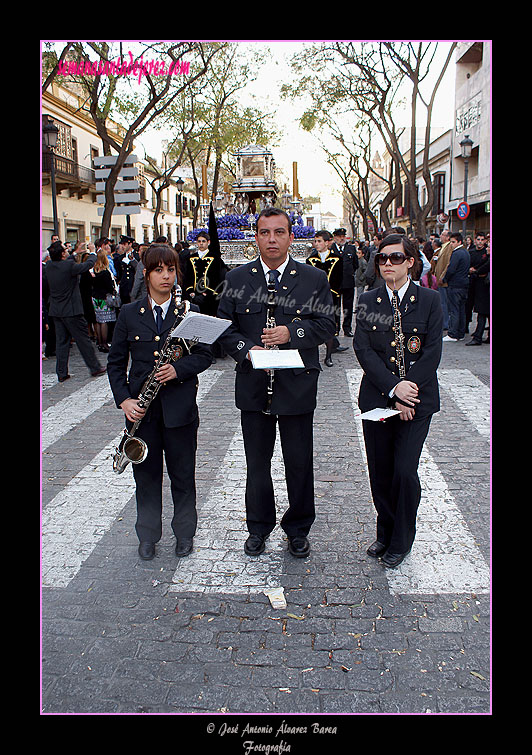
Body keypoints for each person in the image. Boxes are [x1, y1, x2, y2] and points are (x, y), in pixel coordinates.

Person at [216, 207, 336, 559]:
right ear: (256, 236)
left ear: (290, 236)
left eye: (279, 232)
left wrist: (292, 332)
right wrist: (244, 349)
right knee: (256, 463)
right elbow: (224, 326)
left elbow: (327, 325)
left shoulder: (312, 279)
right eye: (265, 232)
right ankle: (258, 527)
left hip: (296, 385)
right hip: (254, 384)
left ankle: (298, 529)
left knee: (299, 462)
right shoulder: (237, 279)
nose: (272, 239)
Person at [107, 244, 213, 561]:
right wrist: (124, 400)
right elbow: (115, 364)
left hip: (180, 412)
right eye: (158, 270)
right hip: (143, 413)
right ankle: (148, 536)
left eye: (170, 270)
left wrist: (178, 369)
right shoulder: (128, 314)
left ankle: (184, 535)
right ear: (147, 274)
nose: (165, 276)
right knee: (147, 478)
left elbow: (206, 356)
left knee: (183, 477)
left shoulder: (189, 314)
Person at [353, 233, 443, 568]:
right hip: (378, 398)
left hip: (418, 402)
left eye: (395, 258)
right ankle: (386, 530)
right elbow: (364, 350)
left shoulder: (430, 300)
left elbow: (432, 351)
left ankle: (402, 539)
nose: (387, 264)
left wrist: (409, 392)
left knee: (404, 470)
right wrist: (394, 389)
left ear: (410, 262)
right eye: (382, 258)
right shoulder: (367, 301)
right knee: (380, 469)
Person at [44, 241, 106, 382]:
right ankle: (95, 367)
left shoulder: (49, 266)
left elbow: (69, 260)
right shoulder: (68, 266)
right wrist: (91, 252)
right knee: (83, 340)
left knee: (62, 342)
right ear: (62, 254)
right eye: (65, 250)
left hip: (56, 310)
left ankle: (61, 372)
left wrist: (76, 252)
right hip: (71, 310)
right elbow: (87, 265)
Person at [306, 230, 343, 366]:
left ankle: (328, 356)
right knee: (314, 325)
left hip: (331, 297)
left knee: (330, 325)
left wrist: (334, 293)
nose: (316, 244)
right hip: (314, 298)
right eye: (315, 241)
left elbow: (339, 279)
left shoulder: (337, 259)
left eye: (319, 241)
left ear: (327, 243)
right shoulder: (310, 260)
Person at [442, 232, 470, 342]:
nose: (451, 244)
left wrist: (445, 278)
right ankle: (461, 332)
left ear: (459, 242)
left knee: (454, 310)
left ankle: (453, 333)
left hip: (455, 285)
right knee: (461, 309)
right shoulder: (466, 253)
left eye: (453, 242)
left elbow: (451, 269)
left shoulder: (457, 253)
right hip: (463, 284)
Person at [330, 228, 358, 336]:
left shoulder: (351, 248)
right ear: (335, 238)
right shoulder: (331, 249)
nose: (342, 238)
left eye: (343, 236)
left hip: (348, 283)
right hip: (335, 284)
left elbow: (355, 265)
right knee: (335, 307)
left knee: (348, 306)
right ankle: (335, 328)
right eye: (339, 236)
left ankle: (347, 328)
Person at [90, 247, 118, 353]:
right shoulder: (105, 273)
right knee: (105, 321)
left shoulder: (94, 272)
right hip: (104, 298)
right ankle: (104, 343)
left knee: (99, 320)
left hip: (95, 298)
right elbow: (109, 287)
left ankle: (100, 342)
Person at [466, 238, 490, 345]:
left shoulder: (489, 260)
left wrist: (475, 271)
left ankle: (478, 337)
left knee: (482, 313)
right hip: (482, 288)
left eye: (489, 247)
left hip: (484, 289)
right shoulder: (486, 258)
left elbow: (481, 269)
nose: (487, 248)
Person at [434, 229, 452, 331]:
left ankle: (445, 323)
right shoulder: (443, 247)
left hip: (443, 281)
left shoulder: (448, 247)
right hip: (439, 279)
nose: (440, 236)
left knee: (444, 303)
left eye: (442, 234)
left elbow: (448, 263)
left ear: (447, 237)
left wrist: (442, 276)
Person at [114, 234, 138, 305]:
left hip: (133, 285)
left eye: (124, 244)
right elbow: (119, 272)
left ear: (130, 244)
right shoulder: (120, 257)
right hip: (124, 287)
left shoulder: (137, 256)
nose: (122, 246)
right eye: (122, 244)